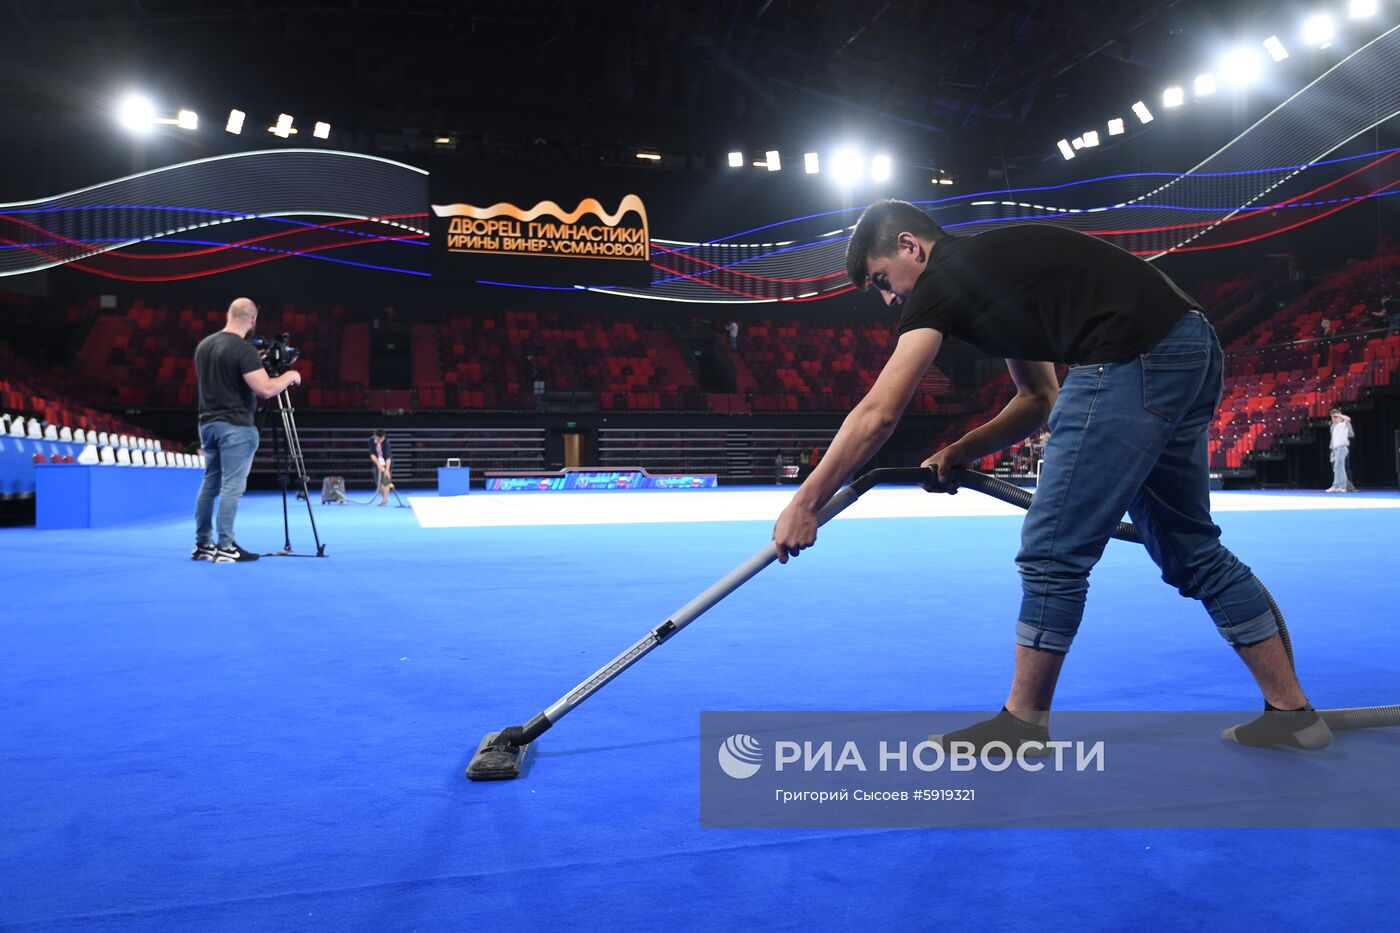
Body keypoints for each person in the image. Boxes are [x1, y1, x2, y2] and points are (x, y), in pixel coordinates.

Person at [771, 200, 1331, 751]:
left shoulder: (944, 277)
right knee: (1189, 550)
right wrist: (963, 448)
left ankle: (1023, 724)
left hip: (1133, 352)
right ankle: (1292, 715)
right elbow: (1039, 398)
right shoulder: (990, 278)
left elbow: (879, 413)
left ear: (910, 247)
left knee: (1051, 548)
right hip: (1189, 345)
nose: (891, 299)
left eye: (883, 279)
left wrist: (807, 501)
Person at [192, 297, 302, 563]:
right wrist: (289, 376)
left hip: (207, 423)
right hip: (235, 427)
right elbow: (265, 389)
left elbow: (227, 377)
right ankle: (226, 546)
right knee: (232, 485)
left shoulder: (205, 345)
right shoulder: (242, 349)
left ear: (229, 314)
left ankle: (203, 545)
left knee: (210, 484)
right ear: (252, 320)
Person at [1326, 409, 1354, 493]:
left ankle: (1342, 486)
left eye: (1335, 417)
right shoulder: (1334, 426)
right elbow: (1334, 440)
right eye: (1332, 417)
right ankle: (1336, 485)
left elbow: (1348, 419)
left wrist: (1339, 415)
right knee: (1336, 467)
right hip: (1336, 448)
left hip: (1342, 448)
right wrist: (1333, 451)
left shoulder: (1344, 424)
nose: (1334, 419)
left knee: (1340, 467)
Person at [370, 428, 394, 506]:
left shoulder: (386, 443)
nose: (381, 440)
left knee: (386, 481)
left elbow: (388, 457)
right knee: (378, 482)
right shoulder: (371, 441)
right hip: (377, 462)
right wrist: (377, 463)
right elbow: (372, 454)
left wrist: (387, 470)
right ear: (375, 436)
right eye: (379, 438)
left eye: (382, 438)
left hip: (386, 463)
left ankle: (384, 499)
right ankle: (384, 497)